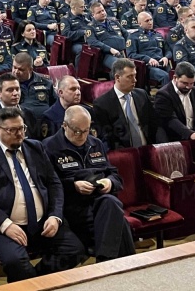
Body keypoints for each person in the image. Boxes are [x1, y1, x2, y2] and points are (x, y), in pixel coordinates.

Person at [0, 106, 85, 283]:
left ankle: (36, 282)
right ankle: (31, 282)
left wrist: (55, 216)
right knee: (16, 263)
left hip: (42, 222)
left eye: (22, 128)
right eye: (12, 130)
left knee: (74, 250)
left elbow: (54, 184)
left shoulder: (36, 148)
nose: (19, 134)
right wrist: (5, 224)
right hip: (6, 227)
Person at [43, 106, 135, 262]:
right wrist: (74, 185)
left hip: (99, 202)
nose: (82, 135)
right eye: (77, 131)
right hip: (72, 208)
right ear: (64, 125)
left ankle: (105, 260)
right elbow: (48, 185)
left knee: (110, 202)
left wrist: (109, 182)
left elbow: (115, 176)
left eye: (86, 130)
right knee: (118, 218)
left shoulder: (96, 143)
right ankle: (124, 266)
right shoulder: (49, 146)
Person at [93, 58, 165, 149]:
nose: (135, 80)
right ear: (117, 77)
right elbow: (107, 138)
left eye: (135, 76)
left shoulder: (142, 95)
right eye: (130, 76)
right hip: (124, 154)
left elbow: (155, 124)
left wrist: (161, 147)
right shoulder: (102, 104)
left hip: (148, 149)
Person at [154, 62, 195, 142]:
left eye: (191, 83)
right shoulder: (163, 94)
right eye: (185, 83)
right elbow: (170, 121)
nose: (188, 87)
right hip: (176, 139)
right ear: (175, 78)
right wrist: (191, 134)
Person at [0, 74, 38, 144]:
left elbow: (36, 142)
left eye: (17, 89)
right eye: (10, 90)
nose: (15, 93)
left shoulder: (29, 113)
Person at [11, 52, 57, 122]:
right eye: (14, 67)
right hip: (19, 122)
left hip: (45, 122)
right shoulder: (7, 83)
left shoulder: (46, 82)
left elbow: (55, 104)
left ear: (30, 69)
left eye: (21, 69)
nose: (16, 71)